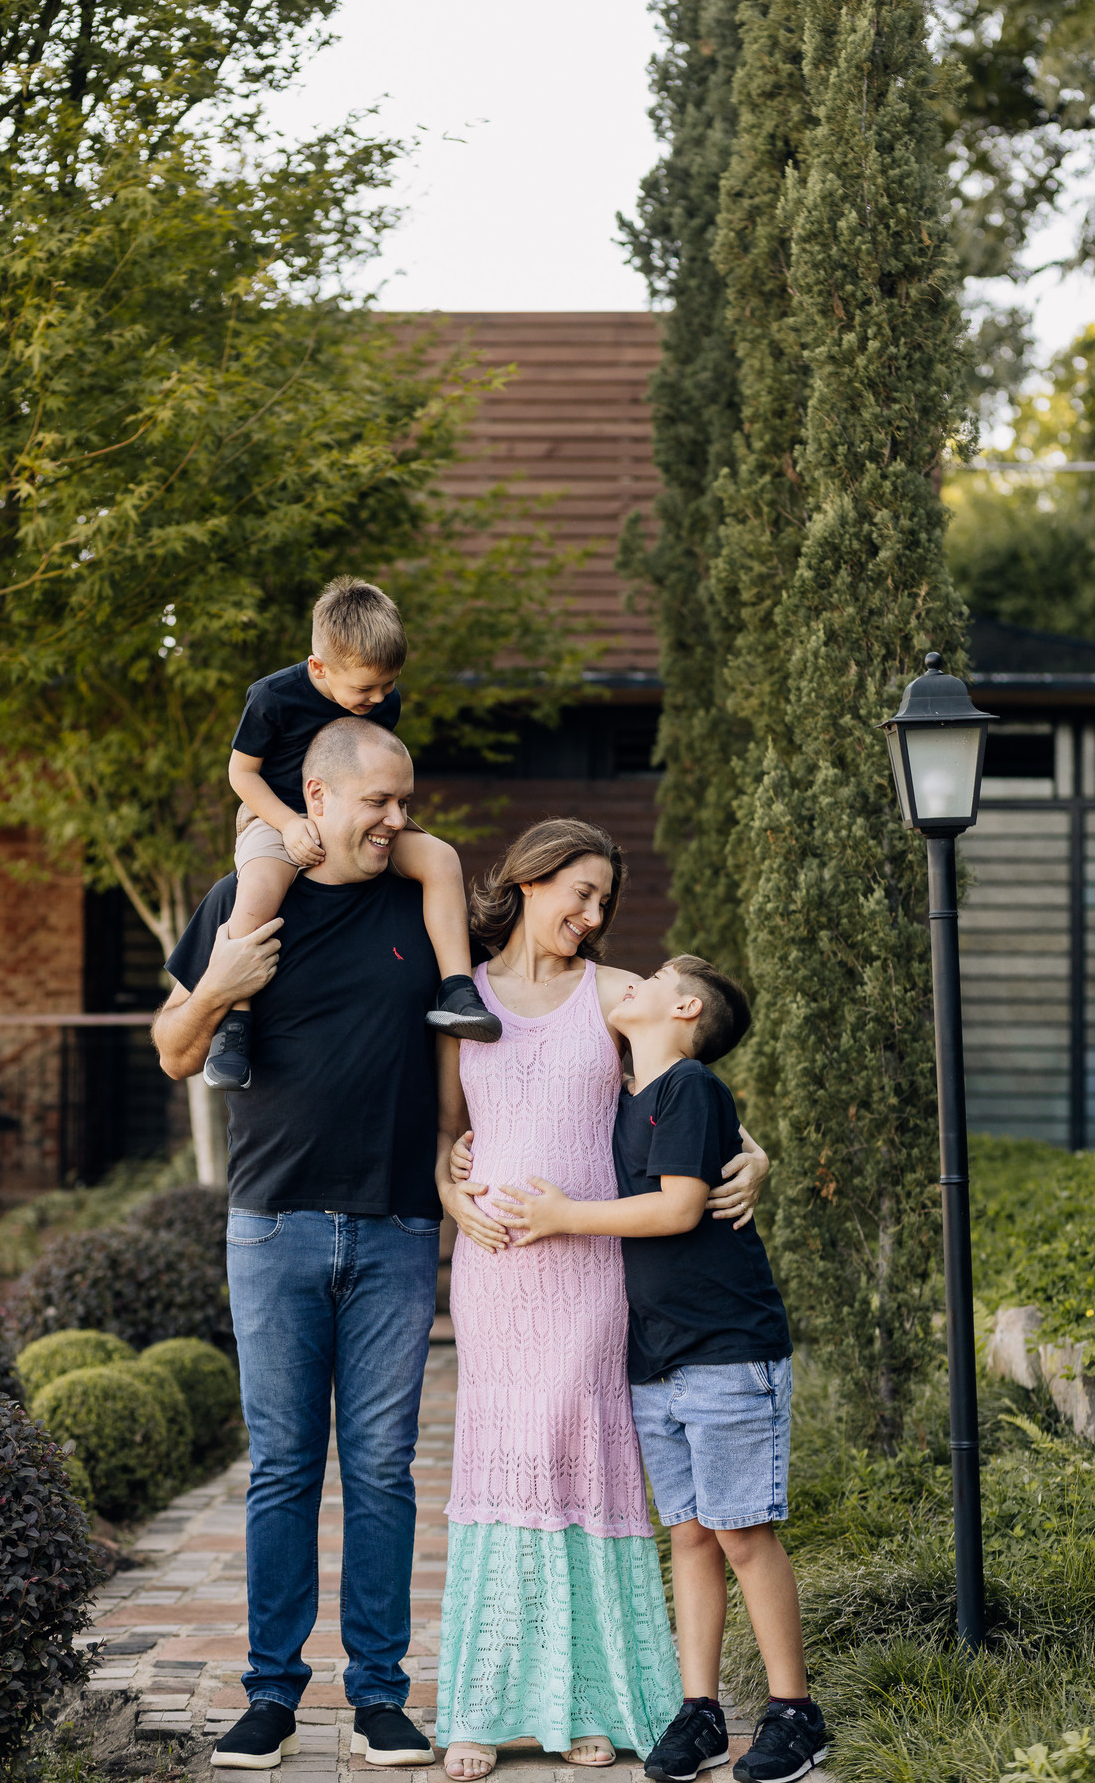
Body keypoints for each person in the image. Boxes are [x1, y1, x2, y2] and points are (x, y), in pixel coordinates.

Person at [433, 821, 770, 1781]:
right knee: (505, 1465)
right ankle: (484, 1706)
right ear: (529, 880)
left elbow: (704, 1099)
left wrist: (757, 1163)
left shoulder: (615, 994)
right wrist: (454, 1194)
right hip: (496, 1275)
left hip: (590, 1271)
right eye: (576, 893)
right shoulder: (465, 999)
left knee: (577, 1460)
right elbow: (446, 1130)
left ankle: (588, 1698)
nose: (589, 916)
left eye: (601, 903)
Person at [154, 716, 453, 1773]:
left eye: (406, 802)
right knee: (283, 1467)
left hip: (396, 1227)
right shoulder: (243, 903)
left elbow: (557, 991)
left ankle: (378, 1696)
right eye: (378, 801)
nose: (396, 821)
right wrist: (223, 992)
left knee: (381, 1471)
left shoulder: (425, 906)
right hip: (272, 1225)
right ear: (314, 799)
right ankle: (271, 1696)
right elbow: (173, 1050)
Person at [497, 957, 828, 1783]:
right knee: (689, 1534)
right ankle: (701, 1712)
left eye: (648, 979)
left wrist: (564, 1218)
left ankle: (795, 1714)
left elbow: (680, 1207)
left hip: (725, 1347)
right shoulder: (632, 1092)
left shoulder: (689, 1088)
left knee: (741, 1532)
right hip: (657, 1355)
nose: (628, 984)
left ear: (684, 1007)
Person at [204, 574, 499, 1091]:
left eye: (388, 685)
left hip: (355, 815)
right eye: (365, 688)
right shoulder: (272, 697)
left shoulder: (383, 701)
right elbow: (240, 774)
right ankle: (235, 1024)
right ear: (319, 667)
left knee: (440, 858)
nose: (379, 698)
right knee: (255, 894)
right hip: (275, 813)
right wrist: (289, 823)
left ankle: (456, 991)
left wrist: (393, 814)